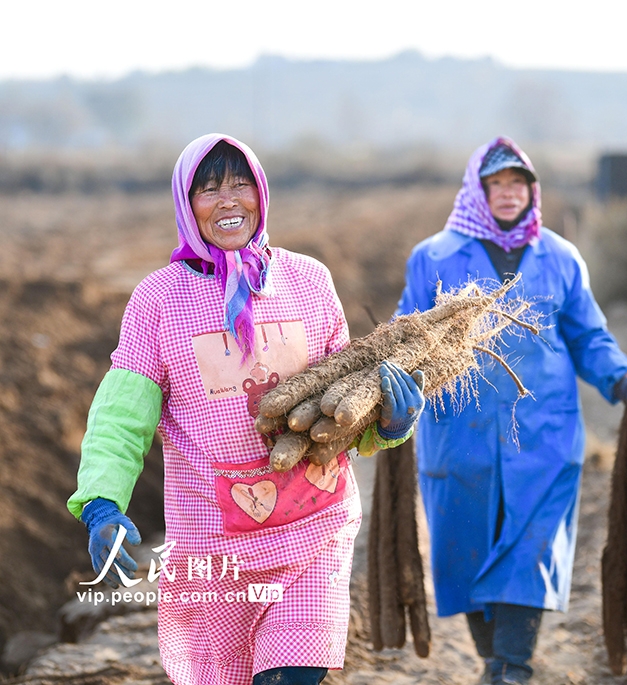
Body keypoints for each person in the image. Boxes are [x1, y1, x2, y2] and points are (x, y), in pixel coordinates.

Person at [67, 133, 425, 685]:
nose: (228, 200)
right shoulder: (159, 300)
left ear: (261, 193)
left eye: (241, 183)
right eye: (208, 189)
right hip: (217, 548)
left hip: (315, 526)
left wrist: (390, 424)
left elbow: (343, 408)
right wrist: (101, 502)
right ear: (187, 207)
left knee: (290, 676)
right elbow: (121, 417)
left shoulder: (309, 282)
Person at [395, 137, 627, 684]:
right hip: (459, 434)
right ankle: (496, 662)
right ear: (477, 193)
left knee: (530, 551)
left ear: (533, 192)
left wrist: (621, 376)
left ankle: (514, 666)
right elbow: (403, 341)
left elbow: (588, 335)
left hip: (544, 435)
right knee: (466, 551)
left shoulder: (559, 257)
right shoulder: (434, 257)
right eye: (497, 185)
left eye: (518, 185)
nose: (508, 195)